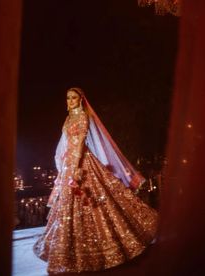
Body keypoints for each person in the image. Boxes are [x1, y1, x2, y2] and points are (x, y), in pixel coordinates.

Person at [33, 87, 158, 274]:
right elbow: (64, 144)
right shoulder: (68, 119)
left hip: (82, 163)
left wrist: (75, 168)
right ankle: (71, 252)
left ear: (81, 100)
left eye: (74, 98)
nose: (70, 101)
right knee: (69, 207)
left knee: (95, 200)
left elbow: (81, 143)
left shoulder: (83, 117)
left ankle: (109, 248)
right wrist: (63, 165)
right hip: (69, 163)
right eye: (68, 98)